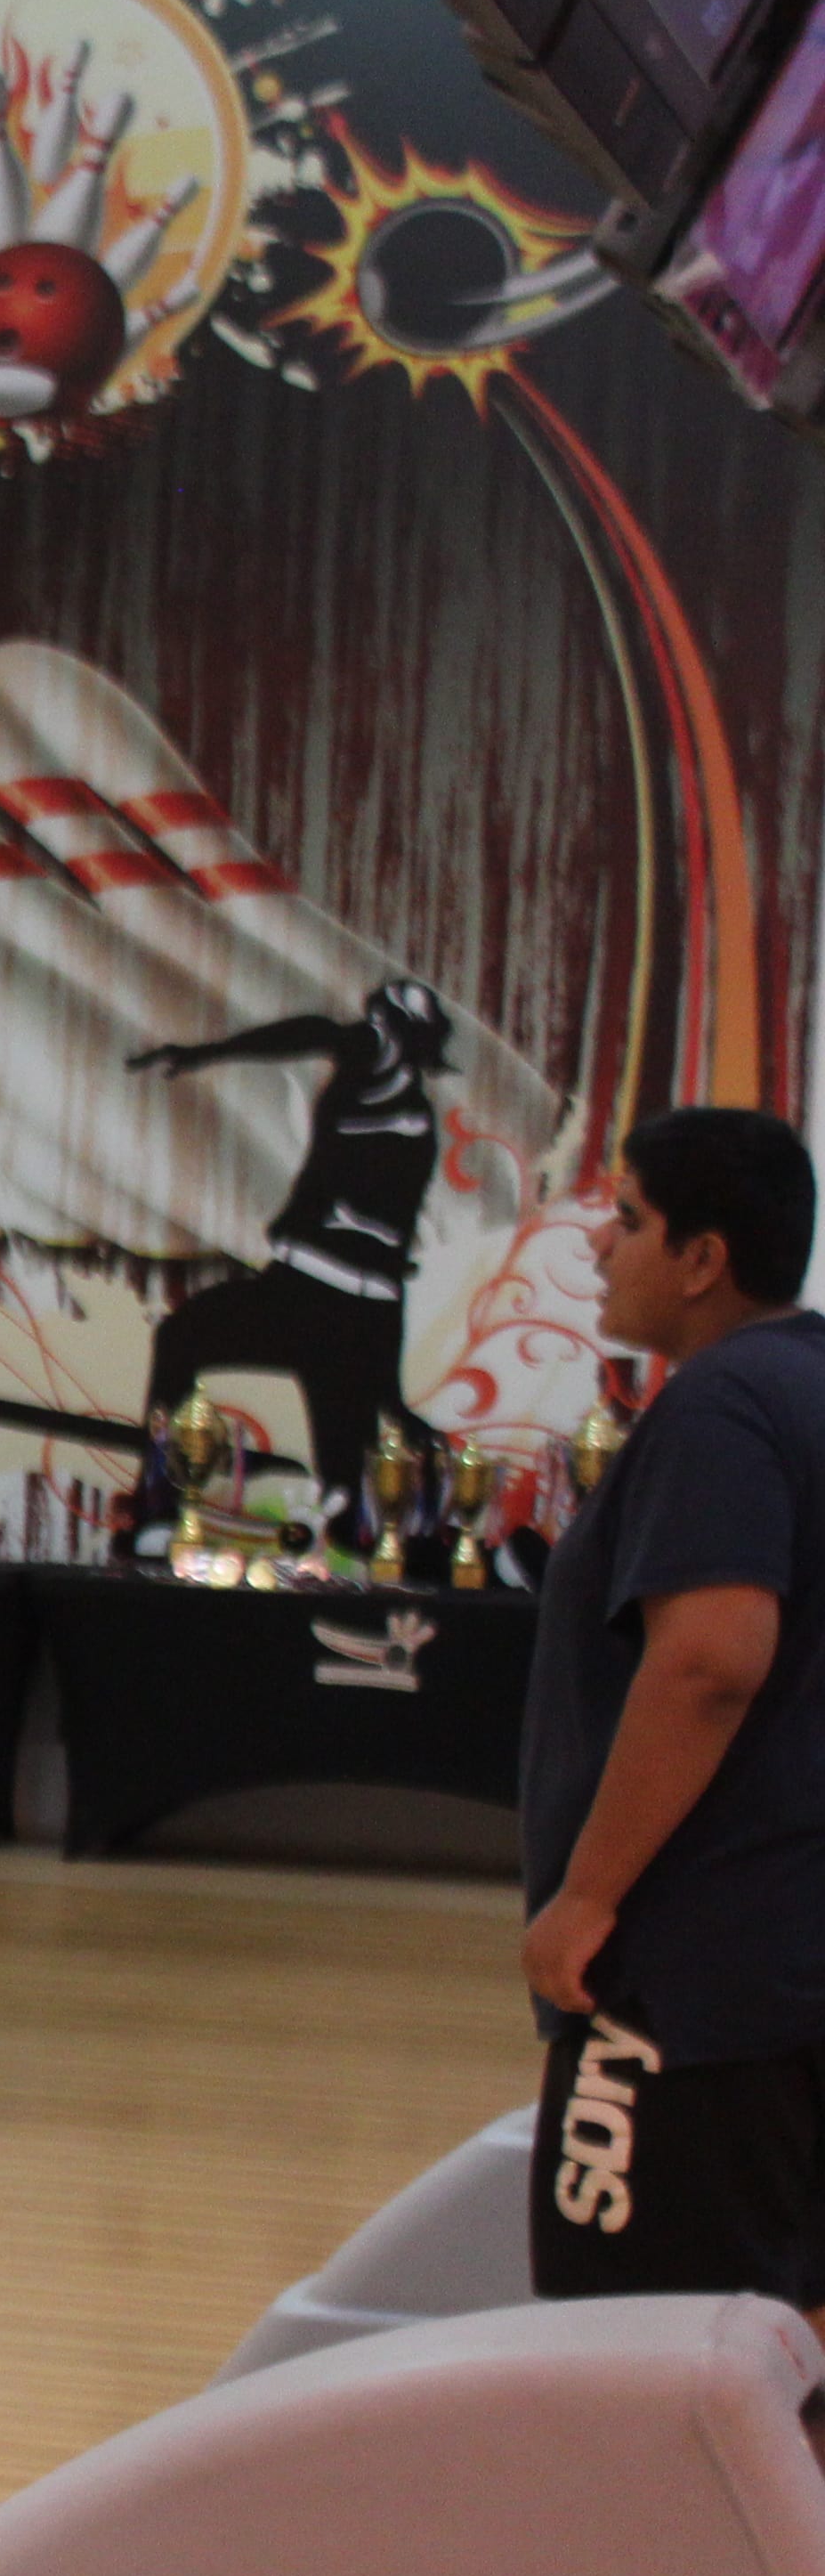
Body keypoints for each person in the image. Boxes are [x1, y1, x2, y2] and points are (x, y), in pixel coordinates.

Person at [520, 1105, 825, 2305]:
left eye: (630, 1218)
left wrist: (588, 1897)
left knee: (633, 2354)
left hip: (690, 1989)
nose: (600, 1245)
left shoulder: (721, 1405)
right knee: (784, 2348)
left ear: (703, 1260)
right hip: (790, 1976)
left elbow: (709, 1662)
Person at [124, 978, 460, 1543]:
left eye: (385, 1026)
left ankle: (352, 1554)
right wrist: (206, 1054)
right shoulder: (369, 1080)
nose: (369, 1033)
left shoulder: (406, 1116)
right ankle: (161, 1502)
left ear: (408, 1043)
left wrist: (389, 1388)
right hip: (302, 1293)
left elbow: (389, 1257)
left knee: (346, 1489)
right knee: (181, 1339)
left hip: (338, 1309)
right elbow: (313, 1033)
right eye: (374, 1020)